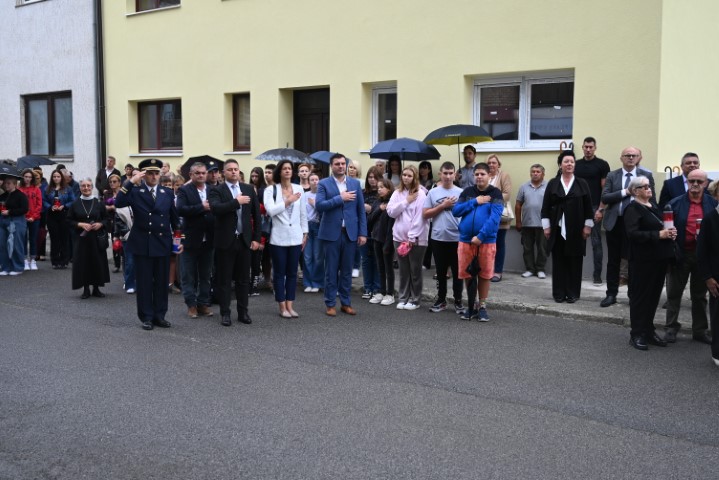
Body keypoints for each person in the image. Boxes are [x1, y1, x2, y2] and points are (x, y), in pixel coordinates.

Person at [115, 158, 181, 331]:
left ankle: (160, 315)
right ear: (144, 175)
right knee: (144, 283)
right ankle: (146, 317)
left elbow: (175, 220)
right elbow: (118, 202)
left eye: (156, 173)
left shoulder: (167, 193)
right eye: (150, 173)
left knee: (161, 282)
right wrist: (131, 181)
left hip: (162, 242)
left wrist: (178, 242)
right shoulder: (136, 192)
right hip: (142, 243)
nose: (153, 176)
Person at [663, 169, 717, 344]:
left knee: (699, 295)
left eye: (699, 182)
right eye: (691, 181)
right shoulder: (675, 203)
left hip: (703, 257)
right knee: (674, 293)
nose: (695, 184)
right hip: (680, 254)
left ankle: (699, 330)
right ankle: (671, 328)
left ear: (706, 183)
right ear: (687, 182)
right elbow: (666, 228)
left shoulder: (713, 204)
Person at [623, 176, 676, 350]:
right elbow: (633, 234)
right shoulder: (632, 208)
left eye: (649, 186)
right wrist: (658, 235)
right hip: (642, 260)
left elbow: (661, 226)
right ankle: (637, 333)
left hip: (658, 259)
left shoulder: (653, 206)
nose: (648, 188)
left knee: (653, 297)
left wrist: (669, 232)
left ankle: (648, 330)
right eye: (644, 186)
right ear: (635, 191)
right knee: (640, 298)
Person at [599, 147, 655, 307]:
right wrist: (626, 192)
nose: (630, 158)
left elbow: (652, 201)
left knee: (634, 260)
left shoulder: (646, 176)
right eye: (627, 155)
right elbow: (605, 197)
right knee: (613, 261)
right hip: (615, 223)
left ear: (639, 158)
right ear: (621, 158)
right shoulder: (612, 175)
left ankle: (633, 295)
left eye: (634, 155)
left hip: (636, 225)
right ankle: (611, 294)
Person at [209, 159, 261, 327]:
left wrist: (256, 238)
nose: (233, 172)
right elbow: (216, 209)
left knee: (243, 279)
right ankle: (225, 313)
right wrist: (236, 202)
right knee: (224, 280)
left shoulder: (248, 189)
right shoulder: (217, 190)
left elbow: (256, 216)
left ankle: (243, 312)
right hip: (225, 241)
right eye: (230, 169)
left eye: (236, 169)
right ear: (223, 172)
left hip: (244, 240)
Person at [316, 153, 367, 316]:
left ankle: (346, 303)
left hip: (350, 233)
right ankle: (330, 303)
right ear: (331, 166)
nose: (340, 166)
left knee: (346, 271)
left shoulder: (354, 183)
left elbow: (360, 210)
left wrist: (362, 233)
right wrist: (340, 198)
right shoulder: (323, 183)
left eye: (343, 163)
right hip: (331, 233)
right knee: (331, 270)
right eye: (337, 164)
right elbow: (319, 205)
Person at [452, 163, 503, 321]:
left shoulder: (495, 194)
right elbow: (456, 211)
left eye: (482, 174)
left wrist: (481, 236)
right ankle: (471, 305)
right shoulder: (467, 192)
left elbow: (495, 218)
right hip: (466, 240)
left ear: (489, 175)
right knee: (468, 273)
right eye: (477, 174)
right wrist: (475, 201)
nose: (479, 177)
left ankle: (482, 306)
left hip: (486, 241)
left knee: (484, 275)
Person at [541, 152, 594, 303]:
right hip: (557, 228)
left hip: (577, 229)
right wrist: (546, 227)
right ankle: (558, 293)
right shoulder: (553, 183)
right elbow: (545, 206)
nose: (569, 164)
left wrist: (587, 226)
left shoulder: (582, 183)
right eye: (566, 161)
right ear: (560, 165)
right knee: (559, 261)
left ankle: (572, 293)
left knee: (575, 261)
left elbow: (588, 207)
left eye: (572, 161)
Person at [264, 160, 308, 318]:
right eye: (284, 168)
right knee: (279, 273)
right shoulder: (271, 190)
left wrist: (305, 233)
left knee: (292, 273)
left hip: (296, 236)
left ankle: (290, 305)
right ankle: (282, 306)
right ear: (279, 172)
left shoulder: (298, 189)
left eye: (290, 168)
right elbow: (270, 211)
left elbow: (303, 213)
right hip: (278, 237)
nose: (288, 171)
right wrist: (288, 201)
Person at [422, 161, 464, 313]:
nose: (447, 176)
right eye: (445, 173)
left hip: (457, 238)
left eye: (450, 173)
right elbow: (425, 214)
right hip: (438, 238)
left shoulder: (461, 192)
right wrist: (442, 206)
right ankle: (441, 300)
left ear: (455, 174)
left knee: (458, 272)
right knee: (440, 272)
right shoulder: (433, 192)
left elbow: (467, 213)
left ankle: (458, 301)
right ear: (440, 174)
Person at [176, 162, 215, 319]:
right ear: (191, 175)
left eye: (203, 173)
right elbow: (180, 209)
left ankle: (203, 303)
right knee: (188, 275)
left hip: (209, 239)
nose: (201, 175)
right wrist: (201, 207)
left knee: (206, 274)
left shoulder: (212, 190)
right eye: (197, 173)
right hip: (190, 239)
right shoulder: (184, 190)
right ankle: (191, 305)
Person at [387, 165, 429, 310]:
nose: (406, 178)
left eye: (409, 175)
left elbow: (420, 217)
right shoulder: (397, 192)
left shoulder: (421, 194)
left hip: (416, 239)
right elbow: (391, 212)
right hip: (398, 237)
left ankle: (415, 300)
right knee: (403, 270)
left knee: (415, 270)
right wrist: (406, 201)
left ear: (414, 177)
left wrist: (412, 236)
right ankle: (403, 298)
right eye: (404, 175)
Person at [574, 137, 611, 285]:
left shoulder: (602, 164)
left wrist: (601, 209)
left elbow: (605, 189)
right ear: (582, 147)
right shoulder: (576, 165)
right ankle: (574, 273)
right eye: (586, 147)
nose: (588, 149)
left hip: (595, 206)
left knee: (596, 242)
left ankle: (597, 276)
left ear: (595, 148)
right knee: (576, 241)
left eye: (591, 147)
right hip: (577, 207)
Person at [66, 178, 111, 299]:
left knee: (97, 262)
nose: (86, 188)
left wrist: (100, 224)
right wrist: (80, 224)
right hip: (81, 239)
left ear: (92, 187)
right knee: (83, 263)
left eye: (88, 185)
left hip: (96, 239)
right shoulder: (75, 204)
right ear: (80, 188)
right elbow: (69, 220)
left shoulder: (99, 203)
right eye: (83, 186)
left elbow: (107, 219)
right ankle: (86, 289)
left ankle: (96, 289)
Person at [696, 195, 719, 367]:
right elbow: (701, 252)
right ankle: (717, 353)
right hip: (716, 278)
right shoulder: (710, 219)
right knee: (718, 316)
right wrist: (707, 277)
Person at [515, 164, 548, 279]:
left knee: (542, 248)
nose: (535, 173)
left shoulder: (548, 186)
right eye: (533, 171)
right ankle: (530, 269)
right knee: (527, 248)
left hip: (543, 224)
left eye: (538, 172)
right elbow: (518, 205)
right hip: (527, 223)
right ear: (530, 173)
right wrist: (518, 221)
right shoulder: (524, 187)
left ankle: (540, 269)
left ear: (543, 174)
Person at [368, 178, 396, 305]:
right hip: (376, 238)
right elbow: (369, 220)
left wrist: (388, 243)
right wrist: (379, 209)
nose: (379, 189)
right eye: (378, 187)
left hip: (387, 239)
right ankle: (381, 291)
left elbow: (391, 226)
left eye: (382, 187)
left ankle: (390, 293)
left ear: (389, 189)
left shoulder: (392, 203)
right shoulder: (377, 202)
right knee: (380, 266)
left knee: (388, 267)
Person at [43, 169, 75, 269]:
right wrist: (50, 206)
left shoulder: (68, 188)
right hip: (51, 215)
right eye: (54, 176)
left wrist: (64, 206)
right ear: (52, 178)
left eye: (58, 176)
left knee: (64, 238)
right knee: (54, 239)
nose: (56, 178)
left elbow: (73, 200)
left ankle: (64, 260)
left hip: (64, 215)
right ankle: (55, 261)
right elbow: (43, 201)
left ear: (61, 177)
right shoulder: (47, 189)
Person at [487, 154, 511, 282]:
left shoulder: (503, 175)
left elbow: (507, 194)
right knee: (487, 244)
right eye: (489, 163)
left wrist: (490, 199)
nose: (491, 165)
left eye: (494, 163)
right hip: (485, 215)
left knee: (499, 243)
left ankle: (497, 271)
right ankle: (488, 270)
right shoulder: (484, 175)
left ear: (498, 164)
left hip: (499, 215)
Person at [0, 172, 29, 276]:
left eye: (9, 183)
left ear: (14, 184)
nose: (6, 185)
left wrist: (10, 211)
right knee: (2, 244)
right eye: (5, 183)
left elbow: (24, 209)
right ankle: (5, 267)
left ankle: (18, 267)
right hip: (3, 221)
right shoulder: (3, 196)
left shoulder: (21, 195)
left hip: (17, 221)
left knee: (16, 244)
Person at [359, 166, 381, 298]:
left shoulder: (383, 193)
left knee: (377, 260)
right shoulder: (362, 193)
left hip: (378, 231)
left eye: (375, 177)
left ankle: (377, 288)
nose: (372, 180)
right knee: (366, 260)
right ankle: (367, 287)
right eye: (370, 177)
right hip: (364, 230)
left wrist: (371, 209)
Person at [303, 171, 323, 293]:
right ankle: (308, 282)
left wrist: (315, 204)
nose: (315, 182)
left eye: (316, 179)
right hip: (306, 227)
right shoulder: (305, 195)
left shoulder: (322, 195)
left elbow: (324, 210)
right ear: (309, 182)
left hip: (318, 226)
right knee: (307, 257)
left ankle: (317, 282)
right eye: (312, 180)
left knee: (318, 256)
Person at [248, 166, 268, 295]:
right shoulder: (243, 205)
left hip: (257, 239)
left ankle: (254, 287)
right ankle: (246, 286)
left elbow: (264, 225)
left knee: (256, 264)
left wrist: (262, 241)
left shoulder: (261, 207)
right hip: (245, 239)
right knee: (246, 264)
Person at [18, 169, 42, 271]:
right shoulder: (19, 189)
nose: (28, 179)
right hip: (22, 218)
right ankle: (24, 260)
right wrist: (23, 215)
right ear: (23, 177)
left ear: (32, 178)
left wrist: (33, 216)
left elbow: (39, 205)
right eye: (26, 177)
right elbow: (17, 204)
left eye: (30, 177)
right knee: (23, 240)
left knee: (33, 239)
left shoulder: (36, 189)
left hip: (34, 219)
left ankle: (32, 260)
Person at [104, 174, 123, 273]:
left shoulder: (124, 192)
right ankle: (117, 264)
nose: (112, 183)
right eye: (110, 182)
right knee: (114, 242)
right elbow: (103, 206)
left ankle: (125, 262)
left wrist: (111, 207)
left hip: (123, 220)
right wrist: (112, 207)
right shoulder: (107, 193)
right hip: (112, 220)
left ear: (119, 183)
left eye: (114, 181)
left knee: (124, 242)